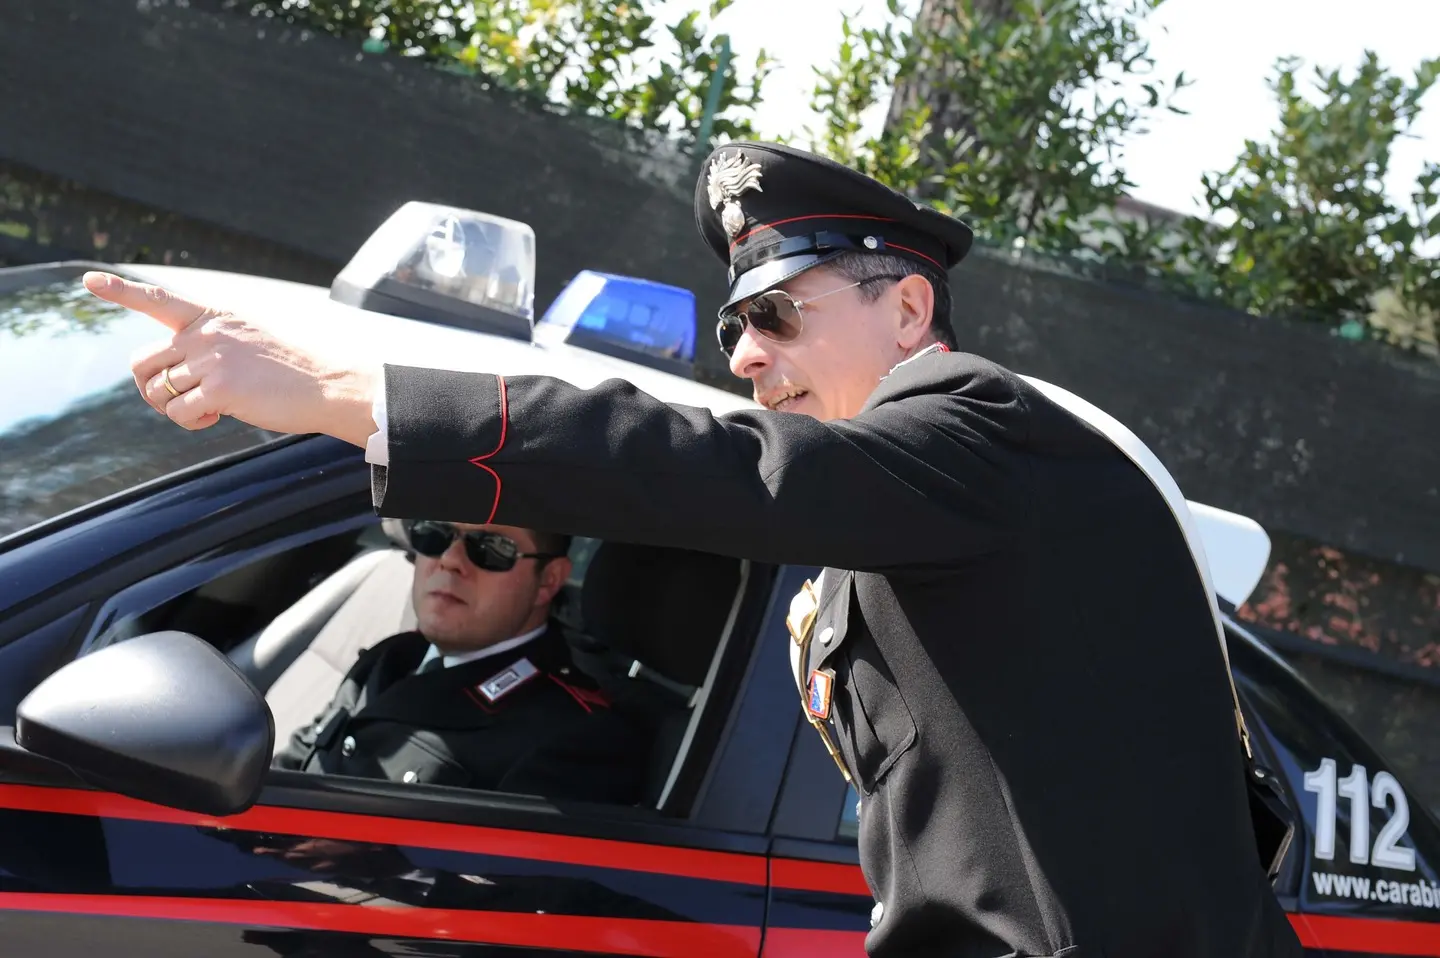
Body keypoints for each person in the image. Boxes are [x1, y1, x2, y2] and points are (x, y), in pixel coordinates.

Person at [87, 141, 1301, 958]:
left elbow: (717, 468)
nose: (745, 355)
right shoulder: (897, 512)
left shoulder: (978, 428)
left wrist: (353, 393)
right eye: (733, 326)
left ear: (910, 310)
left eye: (776, 314)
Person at [273, 517, 651, 806]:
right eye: (433, 533)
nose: (450, 560)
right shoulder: (394, 657)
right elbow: (289, 770)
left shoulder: (576, 738)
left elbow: (507, 895)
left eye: (491, 547)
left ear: (549, 580)